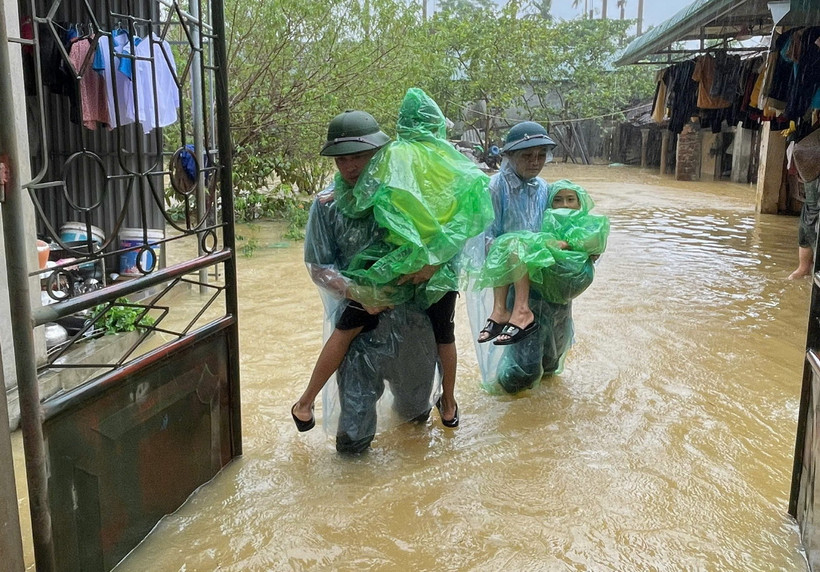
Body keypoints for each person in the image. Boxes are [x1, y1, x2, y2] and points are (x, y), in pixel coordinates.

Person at [295, 108, 470, 452]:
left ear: (379, 153)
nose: (350, 167)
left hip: (414, 331)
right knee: (352, 439)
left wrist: (433, 264)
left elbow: (452, 236)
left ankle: (444, 403)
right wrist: (356, 291)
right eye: (342, 159)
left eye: (359, 157)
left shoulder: (410, 192)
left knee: (414, 422)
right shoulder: (327, 205)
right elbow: (318, 266)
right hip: (360, 330)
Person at [465, 122, 609, 394]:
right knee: (523, 369)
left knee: (552, 358)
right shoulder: (495, 188)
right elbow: (484, 240)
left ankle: (543, 409)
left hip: (549, 282)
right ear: (510, 156)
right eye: (527, 155)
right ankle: (510, 405)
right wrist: (524, 248)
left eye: (541, 155)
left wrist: (584, 248)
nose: (535, 161)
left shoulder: (543, 188)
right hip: (516, 284)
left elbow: (563, 228)